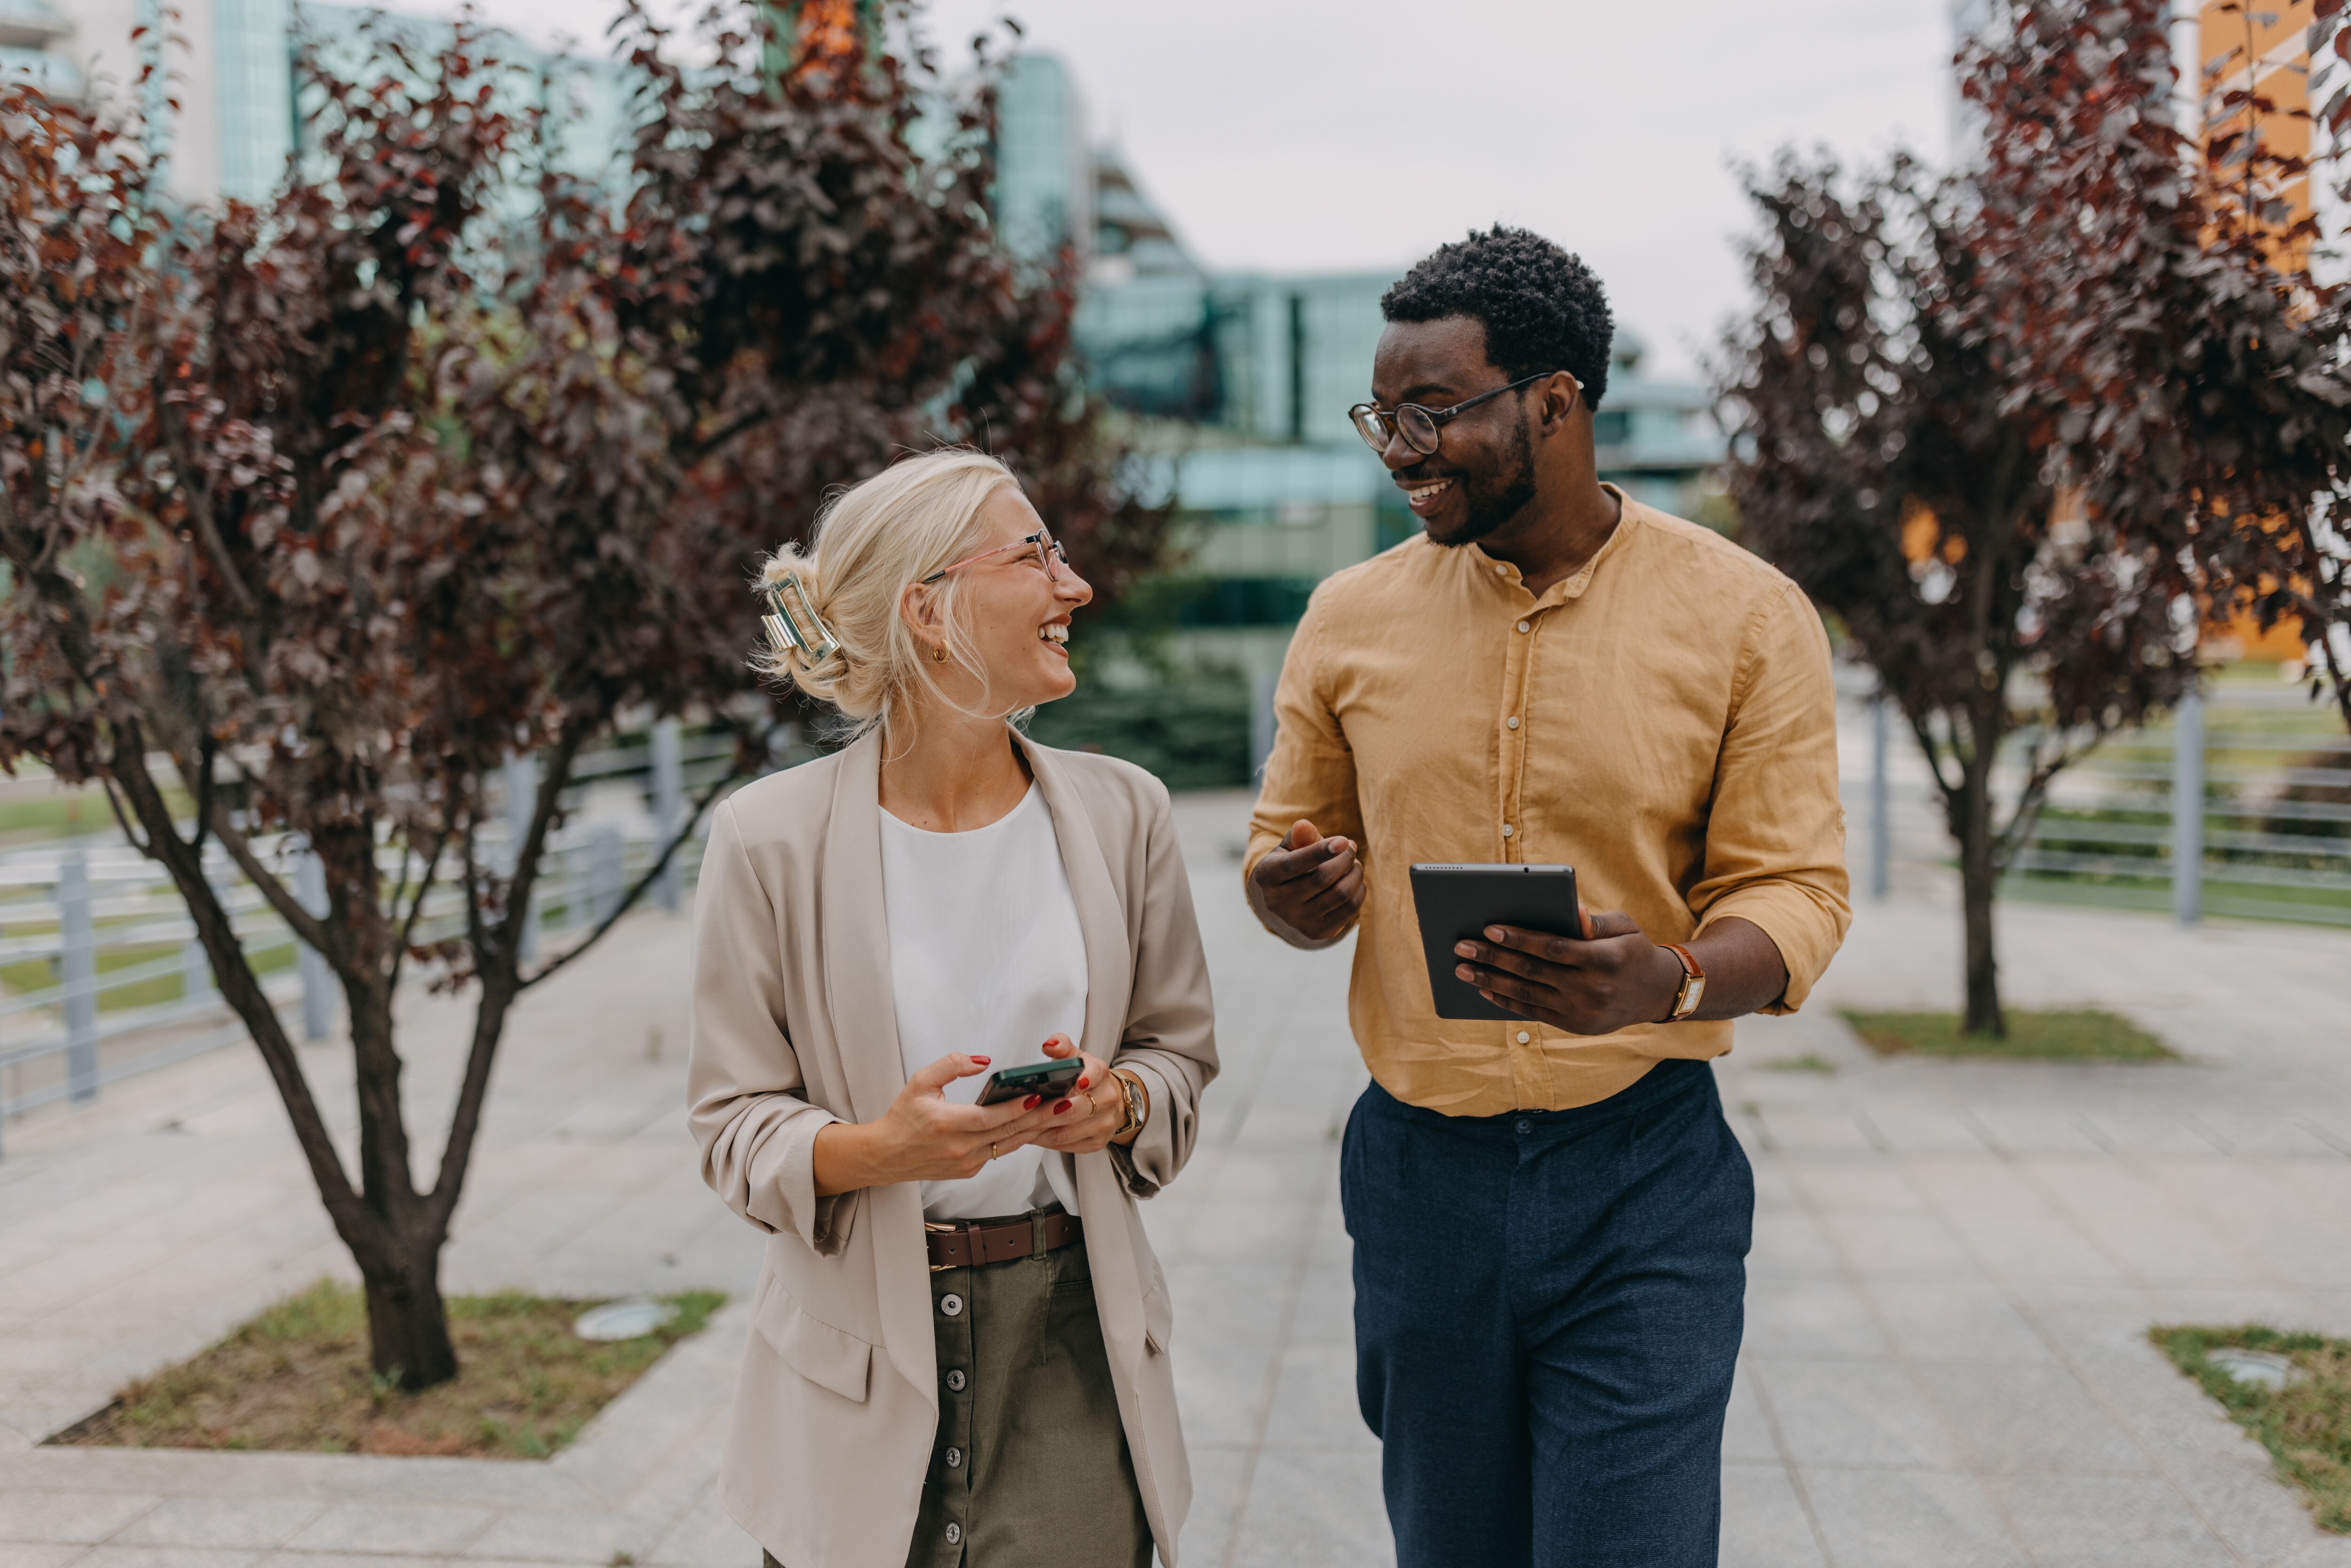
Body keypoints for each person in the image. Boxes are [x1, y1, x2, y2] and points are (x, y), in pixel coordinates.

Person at [1244, 228, 1850, 1568]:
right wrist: (1294, 891)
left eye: (1434, 413)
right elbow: (1285, 853)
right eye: (1382, 416)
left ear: (1558, 403)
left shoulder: (1748, 618)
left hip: (1646, 1176)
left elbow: (1796, 889)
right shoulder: (1345, 618)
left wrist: (1676, 979)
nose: (1400, 448)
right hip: (1419, 1179)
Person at [688, 448, 1217, 1568]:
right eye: (1035, 554)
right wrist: (877, 1149)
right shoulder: (765, 839)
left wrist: (1117, 1103)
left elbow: (1179, 1061)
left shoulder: (1128, 814)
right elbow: (731, 1124)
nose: (1073, 586)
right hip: (855, 1359)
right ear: (928, 610)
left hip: (1073, 1342)